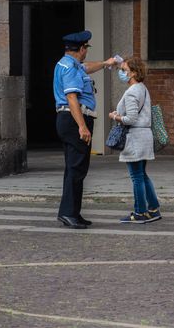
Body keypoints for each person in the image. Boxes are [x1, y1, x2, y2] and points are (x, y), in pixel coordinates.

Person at [54, 30, 116, 229]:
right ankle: (68, 213)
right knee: (76, 168)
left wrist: (106, 63)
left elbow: (87, 67)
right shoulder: (71, 69)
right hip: (75, 120)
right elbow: (72, 98)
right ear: (81, 49)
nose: (86, 53)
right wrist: (82, 126)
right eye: (86, 49)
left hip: (69, 120)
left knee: (74, 167)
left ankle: (72, 212)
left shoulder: (69, 64)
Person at [109, 56, 161, 223]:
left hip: (135, 138)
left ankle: (140, 213)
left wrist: (115, 116)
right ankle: (153, 209)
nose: (122, 73)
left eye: (124, 70)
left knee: (136, 177)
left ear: (133, 73)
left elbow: (130, 119)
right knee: (143, 175)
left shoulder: (132, 92)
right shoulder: (142, 88)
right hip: (144, 136)